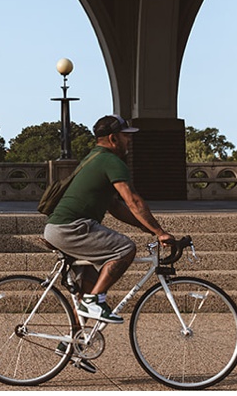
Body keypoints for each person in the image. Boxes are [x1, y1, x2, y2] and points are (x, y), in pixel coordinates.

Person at [43, 114, 174, 325]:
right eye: (125, 136)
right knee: (125, 249)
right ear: (113, 139)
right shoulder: (112, 161)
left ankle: (71, 348)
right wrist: (160, 232)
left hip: (60, 228)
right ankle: (94, 300)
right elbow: (134, 202)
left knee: (88, 287)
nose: (129, 141)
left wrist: (147, 228)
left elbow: (115, 207)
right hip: (73, 228)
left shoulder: (92, 158)